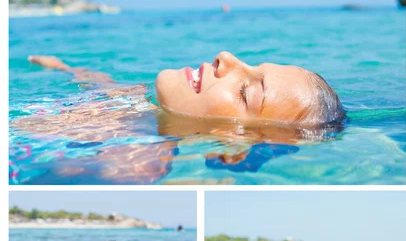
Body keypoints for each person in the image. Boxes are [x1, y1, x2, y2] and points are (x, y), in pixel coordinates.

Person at [11, 52, 345, 183]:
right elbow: (98, 82)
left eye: (247, 91)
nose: (225, 58)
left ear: (234, 144)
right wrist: (63, 66)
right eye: (250, 63)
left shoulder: (133, 163)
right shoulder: (130, 98)